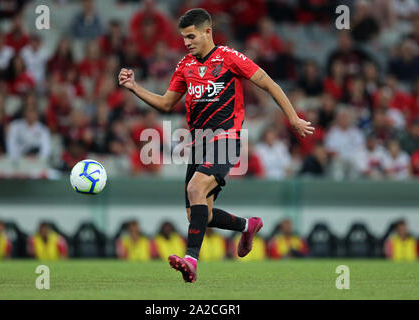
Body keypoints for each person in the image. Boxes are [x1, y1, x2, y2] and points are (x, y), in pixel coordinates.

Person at [118, 8, 314, 283]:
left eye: (191, 36)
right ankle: (248, 226)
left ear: (207, 32)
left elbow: (268, 84)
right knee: (198, 214)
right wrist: (134, 87)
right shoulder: (184, 66)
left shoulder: (229, 58)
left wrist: (293, 118)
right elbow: (165, 103)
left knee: (195, 188)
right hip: (197, 145)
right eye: (183, 38)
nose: (186, 42)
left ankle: (191, 260)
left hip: (225, 139)